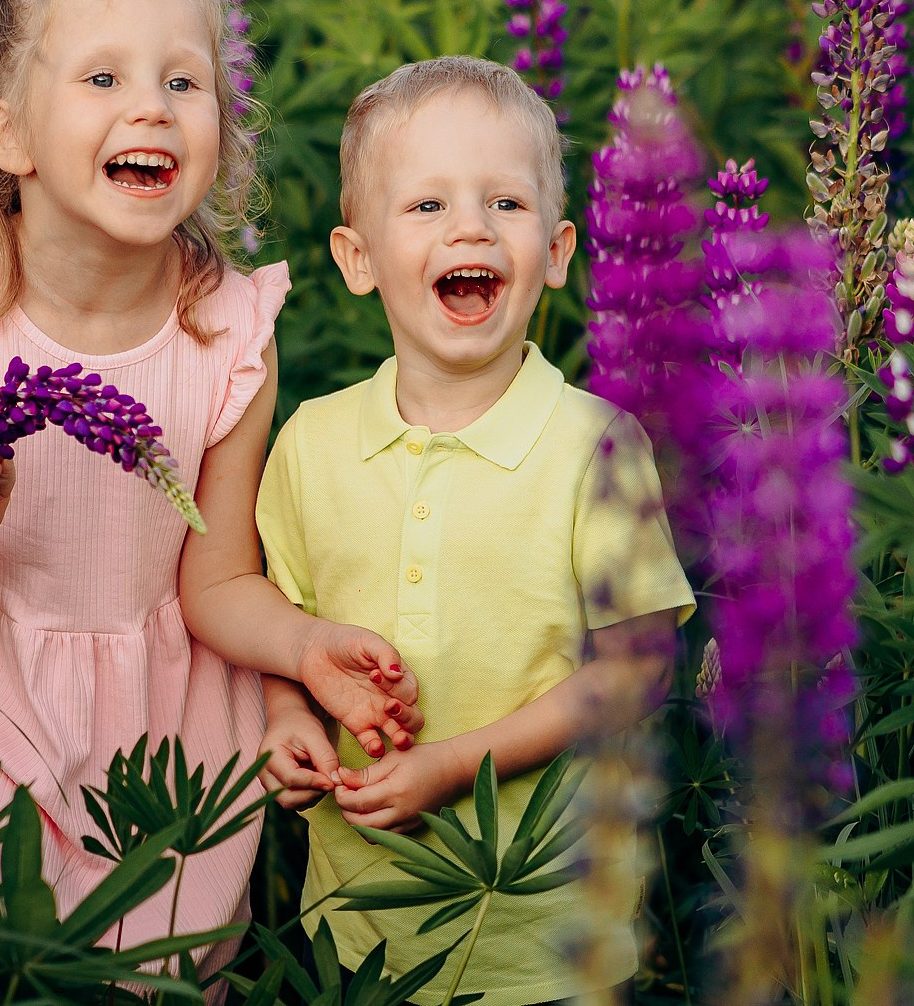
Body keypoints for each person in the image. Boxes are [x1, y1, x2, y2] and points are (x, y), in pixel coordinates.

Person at [0, 0, 419, 978]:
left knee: (159, 974)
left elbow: (215, 576)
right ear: (8, 134)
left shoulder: (224, 333)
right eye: (106, 77)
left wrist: (300, 655)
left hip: (165, 728)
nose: (152, 107)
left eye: (184, 80)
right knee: (2, 966)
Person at [185, 56, 695, 1005]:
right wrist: (290, 721)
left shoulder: (598, 445)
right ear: (357, 257)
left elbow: (639, 667)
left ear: (557, 250)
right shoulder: (313, 442)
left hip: (548, 932)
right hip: (355, 922)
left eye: (505, 201)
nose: (470, 225)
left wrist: (455, 766)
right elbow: (278, 624)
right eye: (426, 206)